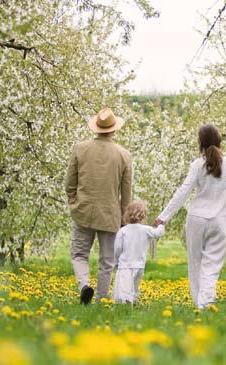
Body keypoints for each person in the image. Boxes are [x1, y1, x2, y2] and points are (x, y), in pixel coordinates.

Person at [155, 124, 226, 309]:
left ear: (200, 143)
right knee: (212, 265)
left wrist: (164, 217)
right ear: (219, 141)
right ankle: (206, 302)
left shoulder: (197, 165)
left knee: (195, 263)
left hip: (196, 220)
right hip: (218, 221)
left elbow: (183, 192)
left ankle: (200, 304)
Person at [65, 107, 132, 305]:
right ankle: (102, 298)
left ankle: (84, 285)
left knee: (79, 254)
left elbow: (70, 182)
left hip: (83, 210)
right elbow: (126, 192)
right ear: (114, 129)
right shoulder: (124, 155)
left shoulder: (80, 148)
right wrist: (124, 218)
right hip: (110, 213)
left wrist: (73, 202)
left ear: (96, 127)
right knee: (107, 261)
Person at [112, 201, 165, 303]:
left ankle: (124, 306)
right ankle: (134, 302)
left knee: (123, 290)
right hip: (140, 265)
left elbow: (117, 248)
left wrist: (116, 262)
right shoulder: (146, 229)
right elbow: (159, 233)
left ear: (127, 214)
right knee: (134, 288)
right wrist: (161, 225)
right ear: (143, 215)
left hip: (125, 265)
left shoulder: (123, 230)